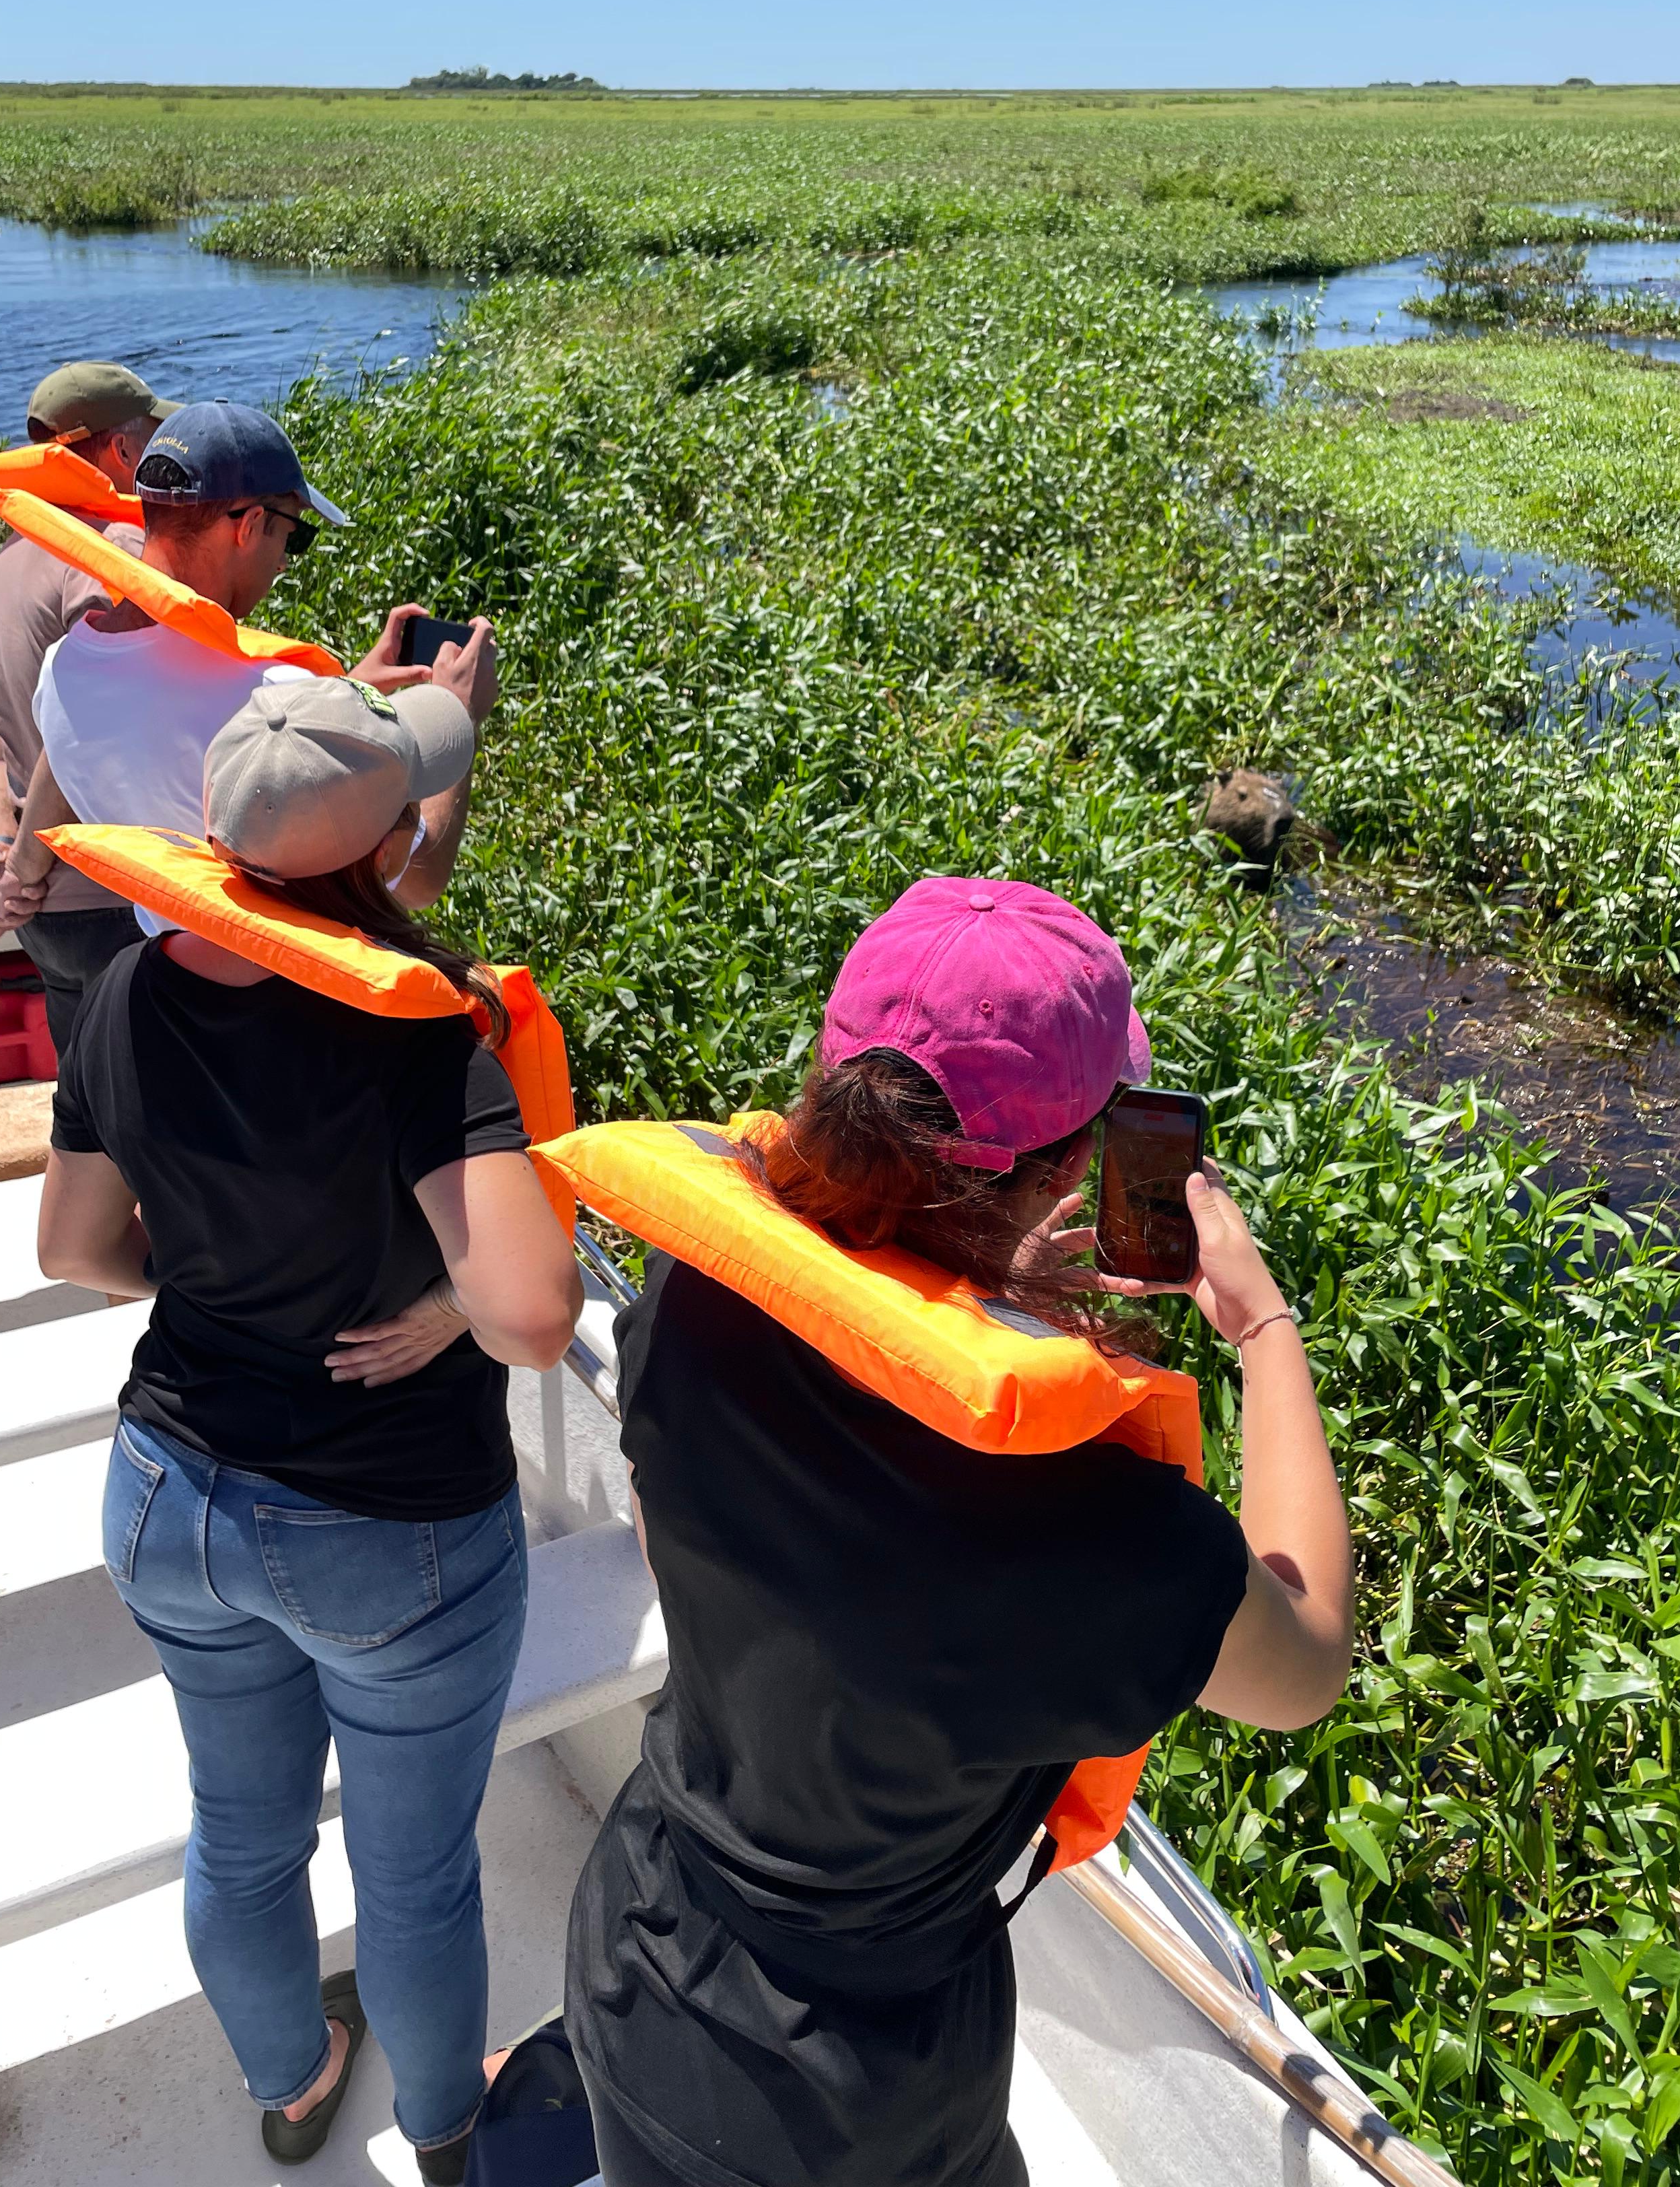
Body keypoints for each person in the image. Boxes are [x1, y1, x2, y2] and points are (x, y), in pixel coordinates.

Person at [563, 876, 1354, 2187]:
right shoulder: (1105, 1535)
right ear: (1075, 1168)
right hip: (855, 2108)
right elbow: (1306, 1661)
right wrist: (1264, 1330)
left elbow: (665, 1540)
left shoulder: (697, 1289)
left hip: (636, 1946)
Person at [36, 676, 582, 2182]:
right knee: (413, 1878)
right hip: (385, 1528)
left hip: (166, 1497)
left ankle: (291, 2088)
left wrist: (215, 1275)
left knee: (238, 1831)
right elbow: (534, 1313)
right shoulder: (416, 1031)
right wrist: (448, 1309)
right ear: (391, 844)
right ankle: (445, 2130)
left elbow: (74, 1249)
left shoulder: (125, 989)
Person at [0, 398, 497, 941]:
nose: (285, 561)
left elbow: (173, 725)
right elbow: (418, 877)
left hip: (178, 964)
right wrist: (456, 713)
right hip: (283, 981)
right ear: (250, 525)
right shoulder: (273, 692)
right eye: (293, 535)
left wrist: (345, 693)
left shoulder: (63, 671)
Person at [0, 360, 176, 1050]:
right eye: (154, 445)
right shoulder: (113, 551)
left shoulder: (10, 564)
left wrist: (1, 856)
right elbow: (92, 727)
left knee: (83, 1096)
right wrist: (23, 866)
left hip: (45, 920)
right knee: (152, 1102)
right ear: (123, 452)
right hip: (117, 903)